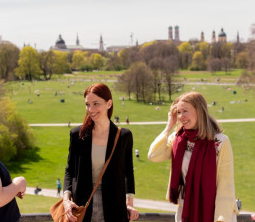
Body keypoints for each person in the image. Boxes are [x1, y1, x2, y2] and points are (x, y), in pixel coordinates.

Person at [148, 91, 238, 222]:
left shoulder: (220, 142)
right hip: (185, 211)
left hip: (213, 213)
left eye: (185, 111)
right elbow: (153, 155)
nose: (181, 116)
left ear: (199, 111)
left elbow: (226, 185)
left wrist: (221, 219)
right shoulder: (177, 139)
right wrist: (169, 126)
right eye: (178, 112)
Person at [63, 83, 138, 222]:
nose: (91, 109)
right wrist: (66, 200)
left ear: (109, 104)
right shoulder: (77, 135)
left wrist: (129, 203)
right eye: (87, 104)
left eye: (96, 103)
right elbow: (70, 170)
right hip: (82, 204)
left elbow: (128, 171)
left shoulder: (123, 136)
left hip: (114, 205)